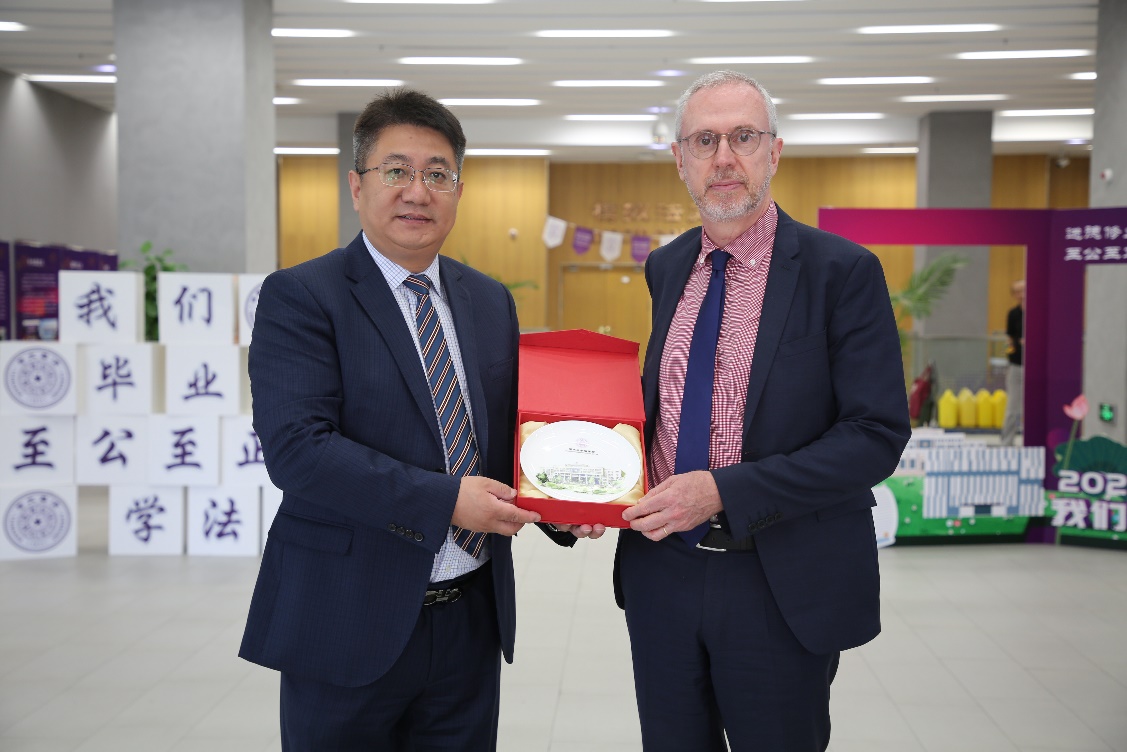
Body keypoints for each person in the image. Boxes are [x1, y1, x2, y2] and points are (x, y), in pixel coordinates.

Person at [567, 71, 912, 751]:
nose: (723, 157)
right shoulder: (668, 266)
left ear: (774, 152)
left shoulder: (840, 271)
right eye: (704, 140)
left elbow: (874, 434)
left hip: (778, 576)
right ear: (679, 160)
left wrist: (724, 491)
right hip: (660, 572)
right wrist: (599, 488)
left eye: (743, 137)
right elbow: (668, 410)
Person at [239, 88, 573, 750]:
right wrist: (447, 501)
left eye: (437, 174)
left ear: (458, 191)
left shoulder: (488, 300)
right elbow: (299, 451)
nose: (417, 191)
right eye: (396, 171)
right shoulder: (302, 296)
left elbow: (503, 436)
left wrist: (558, 497)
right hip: (346, 616)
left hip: (469, 620)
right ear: (357, 186)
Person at [999, 279, 1025, 445]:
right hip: (1016, 365)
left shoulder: (1037, 310)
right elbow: (1009, 338)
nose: (1023, 294)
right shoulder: (1013, 314)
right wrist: (1015, 346)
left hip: (1034, 366)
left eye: (1025, 289)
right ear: (1015, 295)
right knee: (1012, 407)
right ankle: (1006, 442)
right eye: (1019, 291)